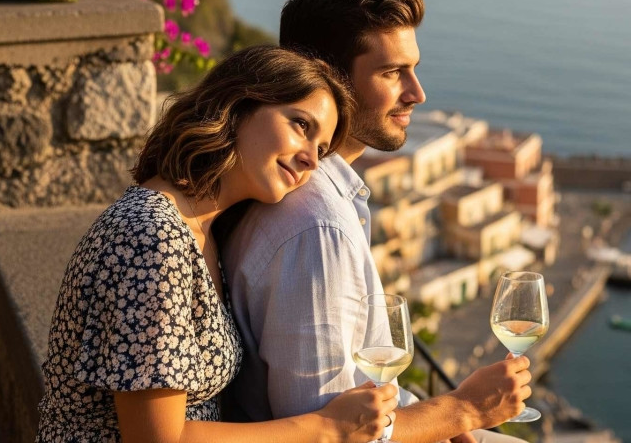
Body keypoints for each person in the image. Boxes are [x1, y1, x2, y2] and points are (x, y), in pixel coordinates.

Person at [220, 0, 532, 443]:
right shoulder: (317, 226)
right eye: (392, 73)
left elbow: (360, 399)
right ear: (328, 79)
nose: (417, 93)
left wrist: (439, 422)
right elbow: (326, 427)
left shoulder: (309, 193)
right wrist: (463, 410)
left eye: (414, 68)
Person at [36, 46, 400, 443]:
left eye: (322, 148)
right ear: (238, 105)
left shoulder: (201, 229)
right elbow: (156, 440)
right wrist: (326, 426)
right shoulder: (153, 238)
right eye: (300, 125)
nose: (313, 160)